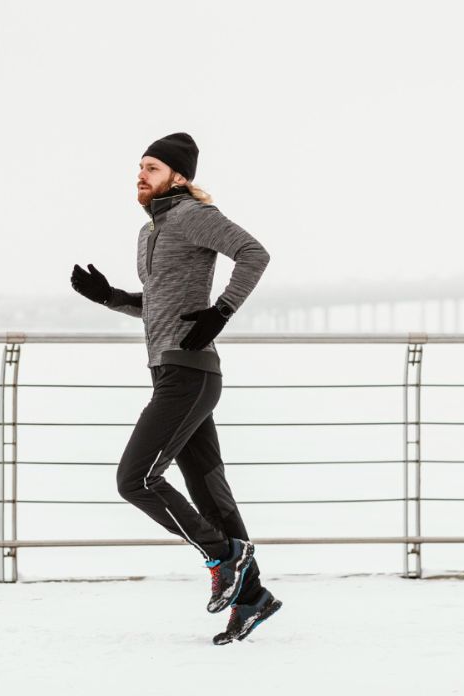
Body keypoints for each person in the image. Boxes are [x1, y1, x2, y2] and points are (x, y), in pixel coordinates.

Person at [71, 131, 282, 645]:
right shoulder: (152, 232)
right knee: (210, 493)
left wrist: (221, 312)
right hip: (173, 371)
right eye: (139, 167)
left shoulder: (192, 215)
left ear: (179, 176)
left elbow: (254, 254)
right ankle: (252, 597)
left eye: (152, 167)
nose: (140, 175)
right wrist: (110, 297)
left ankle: (223, 555)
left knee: (135, 479)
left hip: (189, 372)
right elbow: (161, 304)